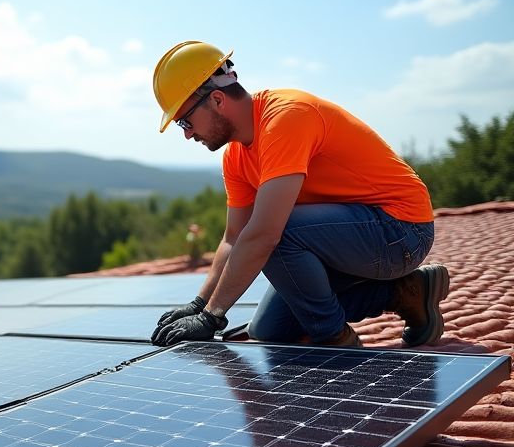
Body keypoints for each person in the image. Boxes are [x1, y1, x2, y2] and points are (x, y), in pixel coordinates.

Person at [149, 41, 448, 349]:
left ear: (216, 99)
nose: (186, 133)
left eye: (185, 121)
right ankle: (408, 292)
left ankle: (337, 341)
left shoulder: (286, 118)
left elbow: (264, 234)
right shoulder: (236, 157)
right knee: (271, 329)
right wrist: (201, 305)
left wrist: (213, 318)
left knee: (278, 231)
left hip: (401, 231)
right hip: (349, 238)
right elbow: (233, 238)